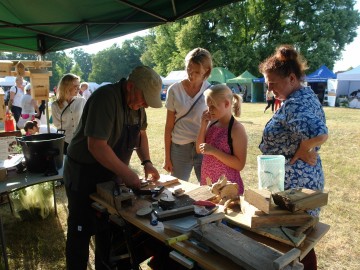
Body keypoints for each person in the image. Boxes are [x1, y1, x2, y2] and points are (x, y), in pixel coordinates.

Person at [63, 66, 162, 270]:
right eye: (144, 99)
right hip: (84, 172)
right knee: (80, 230)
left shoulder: (138, 105)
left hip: (111, 172)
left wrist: (147, 162)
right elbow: (96, 146)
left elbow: (140, 134)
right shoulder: (106, 98)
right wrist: (127, 173)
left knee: (107, 227)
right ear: (131, 86)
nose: (146, 105)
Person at [258, 44, 328, 269]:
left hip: (297, 186)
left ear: (290, 78)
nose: (270, 90)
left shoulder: (296, 103)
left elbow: (320, 133)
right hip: (301, 182)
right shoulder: (303, 95)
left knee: (296, 241)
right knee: (299, 240)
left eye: (273, 84)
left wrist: (303, 149)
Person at [163, 48, 213, 181]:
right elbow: (169, 126)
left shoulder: (211, 91)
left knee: (208, 191)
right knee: (177, 188)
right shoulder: (174, 90)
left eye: (197, 72)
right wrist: (167, 158)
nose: (191, 75)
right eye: (188, 69)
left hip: (203, 148)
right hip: (179, 147)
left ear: (206, 71)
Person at [196, 85, 247, 194]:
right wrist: (203, 126)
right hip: (208, 184)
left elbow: (239, 164)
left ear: (227, 104)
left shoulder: (237, 129)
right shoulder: (212, 123)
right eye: (208, 106)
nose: (209, 110)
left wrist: (214, 151)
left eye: (213, 106)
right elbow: (199, 149)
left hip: (227, 189)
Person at [51, 74, 86, 154]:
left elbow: (87, 120)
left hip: (81, 140)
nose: (78, 88)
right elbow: (56, 124)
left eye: (79, 85)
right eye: (75, 86)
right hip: (65, 141)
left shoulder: (82, 101)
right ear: (66, 86)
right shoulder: (55, 105)